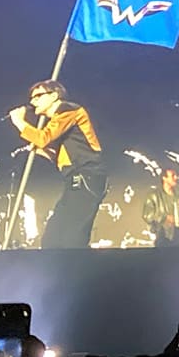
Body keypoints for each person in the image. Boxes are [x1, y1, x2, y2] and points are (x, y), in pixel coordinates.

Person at [9, 79, 105, 249]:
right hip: (75, 177)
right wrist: (43, 151)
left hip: (86, 176)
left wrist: (19, 122)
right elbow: (61, 153)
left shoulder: (68, 110)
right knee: (54, 237)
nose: (32, 102)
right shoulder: (60, 120)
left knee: (70, 236)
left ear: (54, 95)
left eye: (38, 96)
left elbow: (43, 137)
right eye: (32, 98)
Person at [143, 166, 179, 247]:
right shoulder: (154, 196)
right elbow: (147, 215)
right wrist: (163, 218)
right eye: (173, 175)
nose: (176, 177)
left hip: (178, 238)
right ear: (164, 178)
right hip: (162, 237)